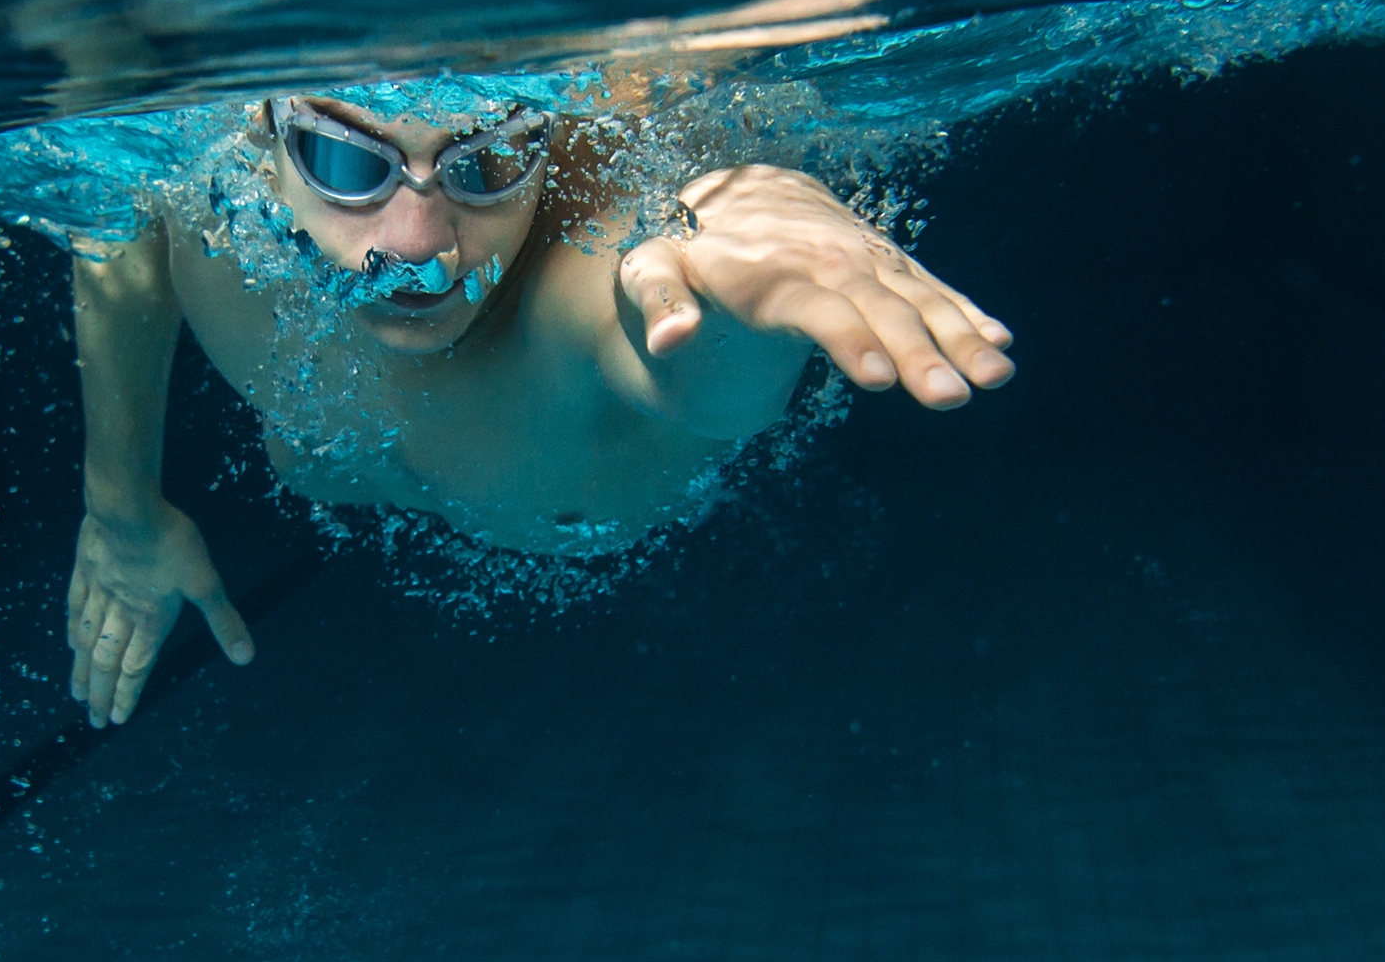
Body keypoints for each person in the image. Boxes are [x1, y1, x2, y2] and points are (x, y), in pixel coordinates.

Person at [62, 91, 1015, 725]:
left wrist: (745, 291)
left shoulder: (575, 280)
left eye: (486, 164)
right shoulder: (203, 195)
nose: (419, 246)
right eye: (350, 164)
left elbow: (685, 357)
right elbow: (120, 229)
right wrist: (121, 507)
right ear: (263, 140)